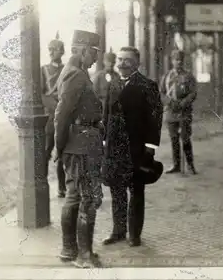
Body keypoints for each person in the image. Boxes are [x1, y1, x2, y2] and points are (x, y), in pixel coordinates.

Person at [101, 46, 163, 247]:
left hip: (136, 148)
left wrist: (150, 147)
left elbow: (155, 119)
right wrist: (104, 140)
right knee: (116, 190)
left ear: (137, 63)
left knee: (136, 190)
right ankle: (118, 231)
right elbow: (106, 114)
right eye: (119, 59)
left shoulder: (148, 85)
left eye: (127, 60)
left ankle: (134, 234)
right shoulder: (113, 84)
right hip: (114, 147)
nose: (121, 63)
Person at [54, 30, 104, 268]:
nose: (95, 58)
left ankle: (69, 250)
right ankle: (84, 256)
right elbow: (61, 115)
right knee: (88, 199)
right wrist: (59, 146)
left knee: (74, 197)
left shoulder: (77, 73)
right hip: (81, 145)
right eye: (93, 53)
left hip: (80, 142)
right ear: (82, 50)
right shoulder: (75, 75)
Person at [160, 49, 198, 175]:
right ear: (172, 61)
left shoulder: (188, 76)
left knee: (186, 139)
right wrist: (169, 102)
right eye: (176, 60)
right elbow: (161, 93)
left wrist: (183, 103)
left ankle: (190, 165)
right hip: (171, 112)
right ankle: (176, 165)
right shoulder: (167, 76)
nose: (178, 62)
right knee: (174, 139)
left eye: (180, 60)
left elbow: (193, 93)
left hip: (184, 112)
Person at [41, 32, 67, 198]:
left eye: (55, 49)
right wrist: (55, 106)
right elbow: (42, 95)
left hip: (64, 117)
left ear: (62, 52)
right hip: (50, 118)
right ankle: (42, 183)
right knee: (46, 150)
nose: (51, 52)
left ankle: (62, 187)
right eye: (49, 49)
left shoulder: (67, 70)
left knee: (63, 152)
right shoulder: (43, 70)